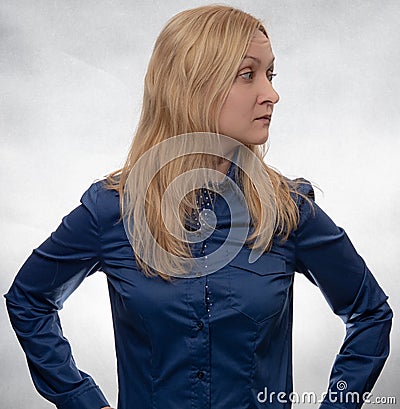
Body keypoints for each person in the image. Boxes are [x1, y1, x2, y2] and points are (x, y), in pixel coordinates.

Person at [4, 5, 392, 409]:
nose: (272, 94)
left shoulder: (287, 212)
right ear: (193, 86)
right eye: (248, 74)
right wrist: (81, 400)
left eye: (270, 74)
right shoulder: (113, 210)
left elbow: (370, 314)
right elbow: (29, 300)